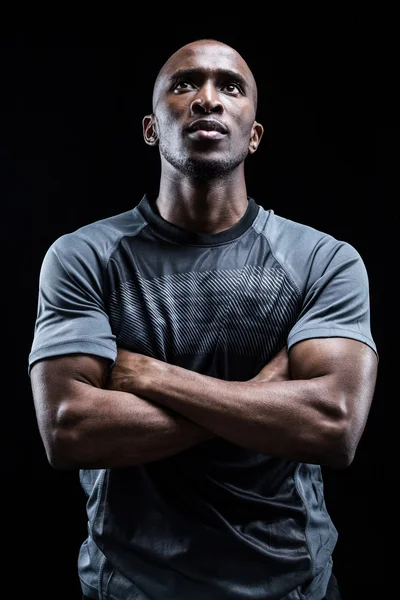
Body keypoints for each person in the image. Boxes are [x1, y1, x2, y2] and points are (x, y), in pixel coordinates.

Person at [28, 38, 378, 600]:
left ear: (254, 134)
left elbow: (333, 428)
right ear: (150, 128)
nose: (207, 99)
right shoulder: (82, 257)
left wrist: (151, 377)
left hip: (290, 586)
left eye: (230, 86)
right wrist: (259, 398)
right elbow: (70, 430)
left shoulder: (323, 261)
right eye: (184, 84)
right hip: (130, 587)